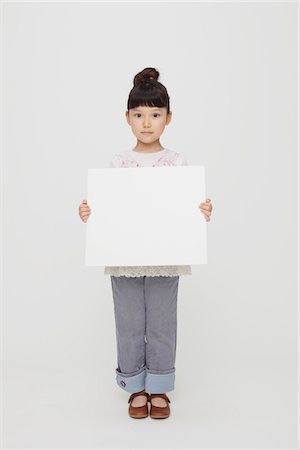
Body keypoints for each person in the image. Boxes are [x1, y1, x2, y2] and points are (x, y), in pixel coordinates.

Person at [78, 67, 213, 419]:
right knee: (129, 321)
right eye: (139, 115)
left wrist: (202, 210)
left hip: (165, 257)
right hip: (124, 257)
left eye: (155, 114)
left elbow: (187, 210)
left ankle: (160, 387)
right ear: (127, 118)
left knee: (162, 322)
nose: (147, 123)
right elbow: (107, 210)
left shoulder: (177, 162)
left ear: (168, 118)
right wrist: (90, 213)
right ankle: (134, 385)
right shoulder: (119, 162)